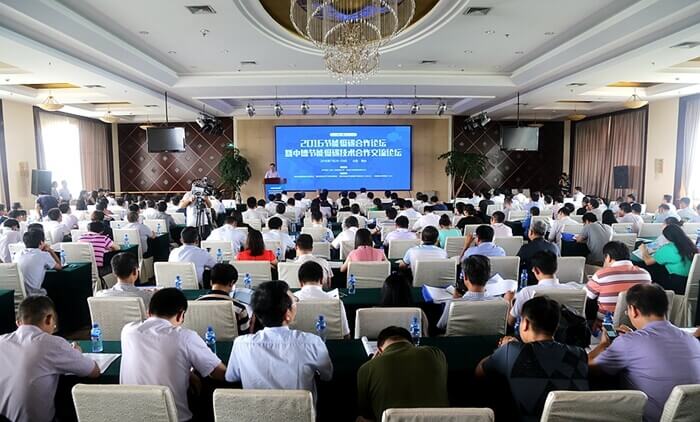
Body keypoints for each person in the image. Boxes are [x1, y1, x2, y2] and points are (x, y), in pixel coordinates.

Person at [588, 284, 700, 422]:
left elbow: (587, 367)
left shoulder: (628, 342)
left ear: (634, 310)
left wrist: (603, 345)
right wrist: (634, 336)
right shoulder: (692, 341)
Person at [120, 288, 226, 421]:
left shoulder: (127, 331)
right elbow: (220, 373)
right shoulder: (185, 337)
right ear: (181, 315)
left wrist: (188, 374)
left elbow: (155, 358)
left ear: (149, 312)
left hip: (130, 416)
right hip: (174, 418)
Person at [477, 296, 589, 421]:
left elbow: (479, 371)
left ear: (525, 323)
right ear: (556, 326)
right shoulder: (580, 354)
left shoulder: (510, 351)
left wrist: (504, 349)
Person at [225, 280, 333, 404]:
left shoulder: (241, 344)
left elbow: (231, 377)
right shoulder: (312, 342)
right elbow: (327, 376)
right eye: (295, 301)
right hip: (300, 413)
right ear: (287, 314)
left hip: (256, 413)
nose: (296, 303)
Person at [0, 296, 100, 422]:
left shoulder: (1, 341)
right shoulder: (51, 343)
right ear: (49, 319)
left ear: (18, 323)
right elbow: (94, 371)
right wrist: (77, 353)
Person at [357, 326, 448, 422]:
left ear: (379, 350)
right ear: (413, 344)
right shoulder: (437, 354)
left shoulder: (366, 369)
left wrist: (371, 364)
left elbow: (367, 415)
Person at [507, 250, 576, 325]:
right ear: (556, 268)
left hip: (536, 332)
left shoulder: (527, 292)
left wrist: (509, 301)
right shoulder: (574, 289)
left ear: (536, 270)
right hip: (570, 331)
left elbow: (510, 321)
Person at [437, 255, 504, 330]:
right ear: (488, 276)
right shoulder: (500, 302)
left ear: (465, 277)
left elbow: (441, 326)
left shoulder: (453, 304)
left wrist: (455, 300)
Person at [585, 241, 651, 315]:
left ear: (608, 257)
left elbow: (587, 295)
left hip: (607, 319)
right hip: (639, 319)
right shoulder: (645, 274)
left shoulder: (601, 274)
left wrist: (603, 271)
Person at [295, 261, 350, 337]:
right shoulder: (336, 302)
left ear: (300, 282)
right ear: (321, 280)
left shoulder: (290, 302)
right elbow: (346, 335)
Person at [638, 224, 696, 294]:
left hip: (676, 283)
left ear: (667, 237)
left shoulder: (668, 248)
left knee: (645, 266)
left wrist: (643, 250)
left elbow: (648, 262)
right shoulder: (690, 244)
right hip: (689, 281)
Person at [196, 263, 251, 334]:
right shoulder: (239, 309)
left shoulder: (196, 303)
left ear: (211, 282)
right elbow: (245, 337)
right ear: (232, 283)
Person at [13, 230, 61, 295]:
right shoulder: (43, 255)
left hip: (17, 295)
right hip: (35, 296)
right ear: (41, 242)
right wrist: (50, 250)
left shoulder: (17, 254)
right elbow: (59, 267)